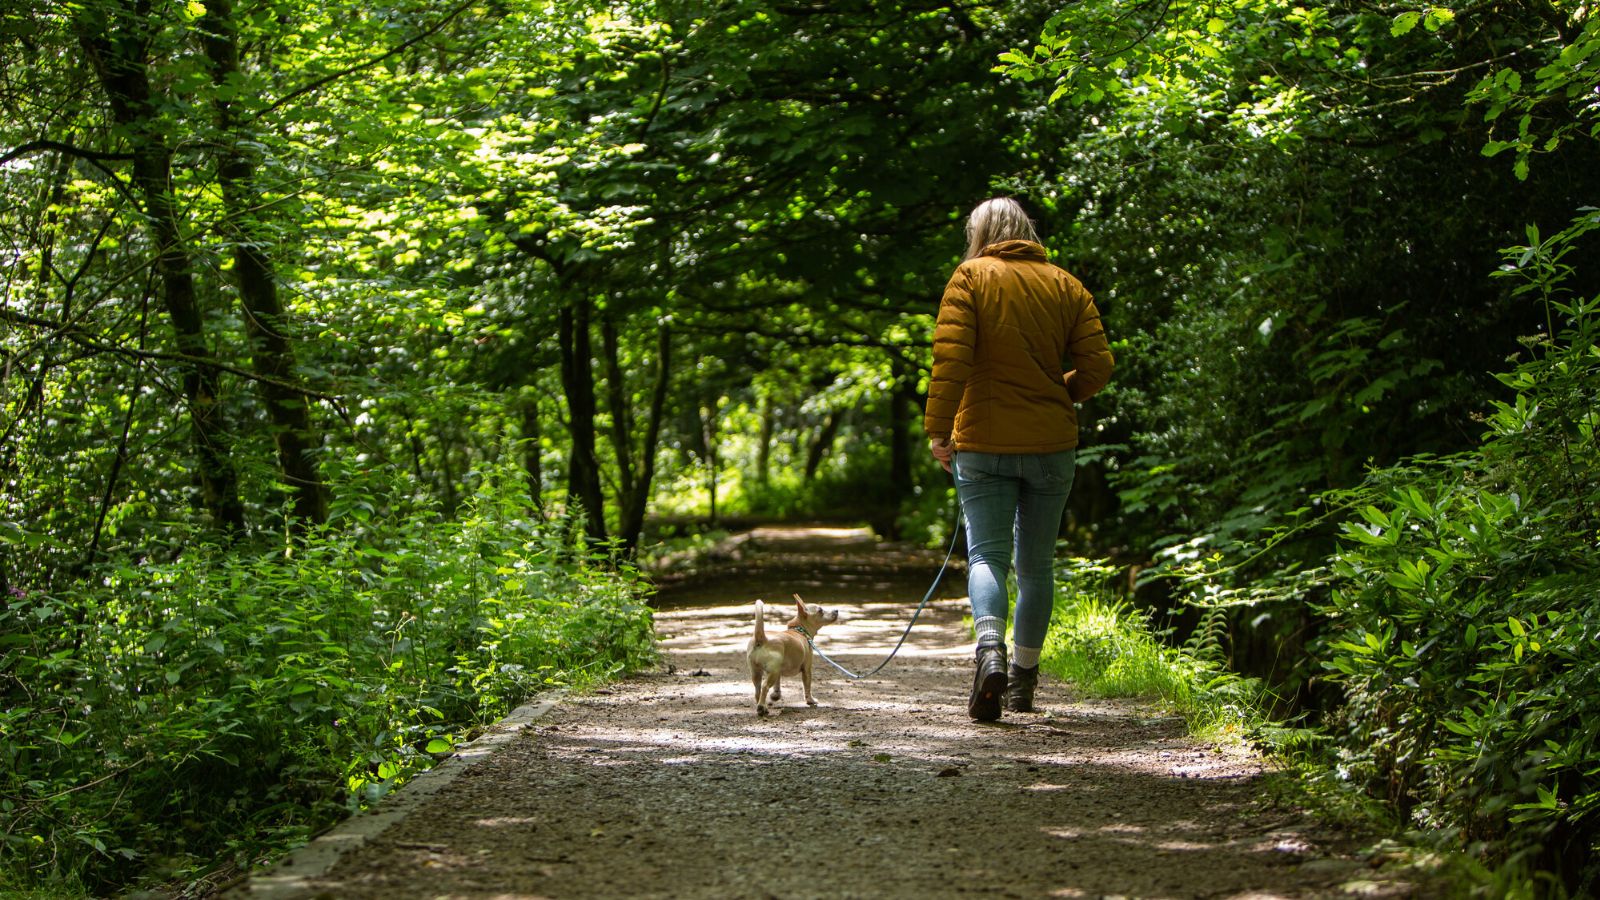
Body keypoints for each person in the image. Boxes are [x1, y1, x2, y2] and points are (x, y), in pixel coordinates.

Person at [924, 197, 1114, 721]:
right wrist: (1057, 394)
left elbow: (951, 363)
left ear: (979, 232)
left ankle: (990, 656)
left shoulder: (970, 278)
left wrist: (940, 431)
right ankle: (1024, 684)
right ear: (1026, 230)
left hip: (983, 444)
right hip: (1053, 446)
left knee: (987, 556)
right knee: (1036, 567)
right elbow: (1098, 367)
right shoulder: (1066, 285)